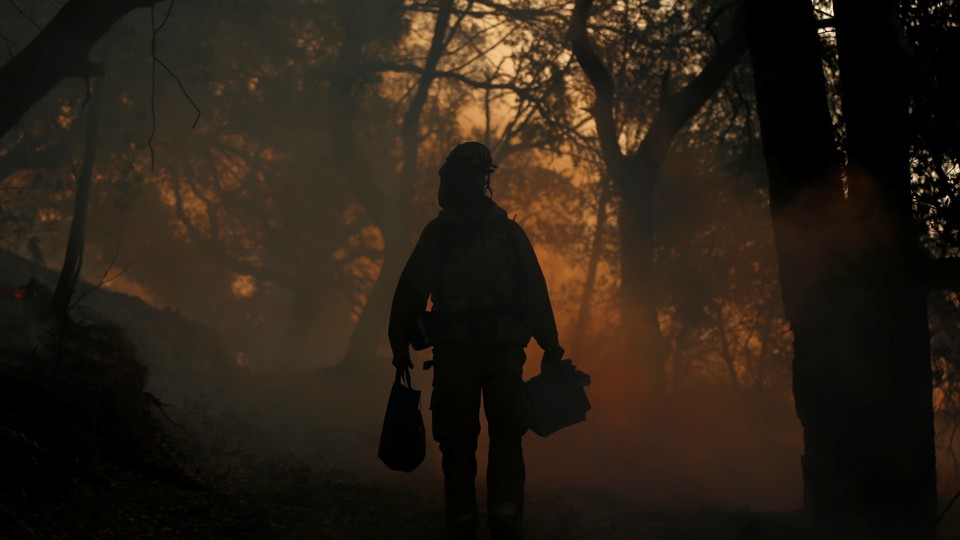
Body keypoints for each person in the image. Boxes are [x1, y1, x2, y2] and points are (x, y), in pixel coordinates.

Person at [388, 142, 564, 540]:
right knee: (457, 440)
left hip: (502, 355)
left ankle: (505, 519)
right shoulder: (440, 235)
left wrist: (550, 343)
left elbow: (534, 291)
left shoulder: (507, 233)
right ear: (453, 180)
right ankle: (463, 521)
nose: (471, 183)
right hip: (455, 354)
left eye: (476, 176)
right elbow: (411, 291)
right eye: (464, 176)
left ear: (484, 180)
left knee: (507, 434)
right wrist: (399, 343)